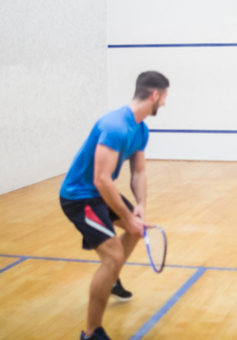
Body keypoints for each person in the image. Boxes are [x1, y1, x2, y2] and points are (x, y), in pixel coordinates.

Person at [59, 71, 169, 340]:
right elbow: (101, 178)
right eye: (164, 98)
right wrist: (127, 216)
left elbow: (139, 172)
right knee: (114, 256)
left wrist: (140, 207)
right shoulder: (115, 126)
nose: (165, 104)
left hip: (98, 194)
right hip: (79, 197)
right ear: (154, 95)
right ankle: (92, 332)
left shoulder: (140, 128)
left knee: (136, 229)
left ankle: (112, 277)